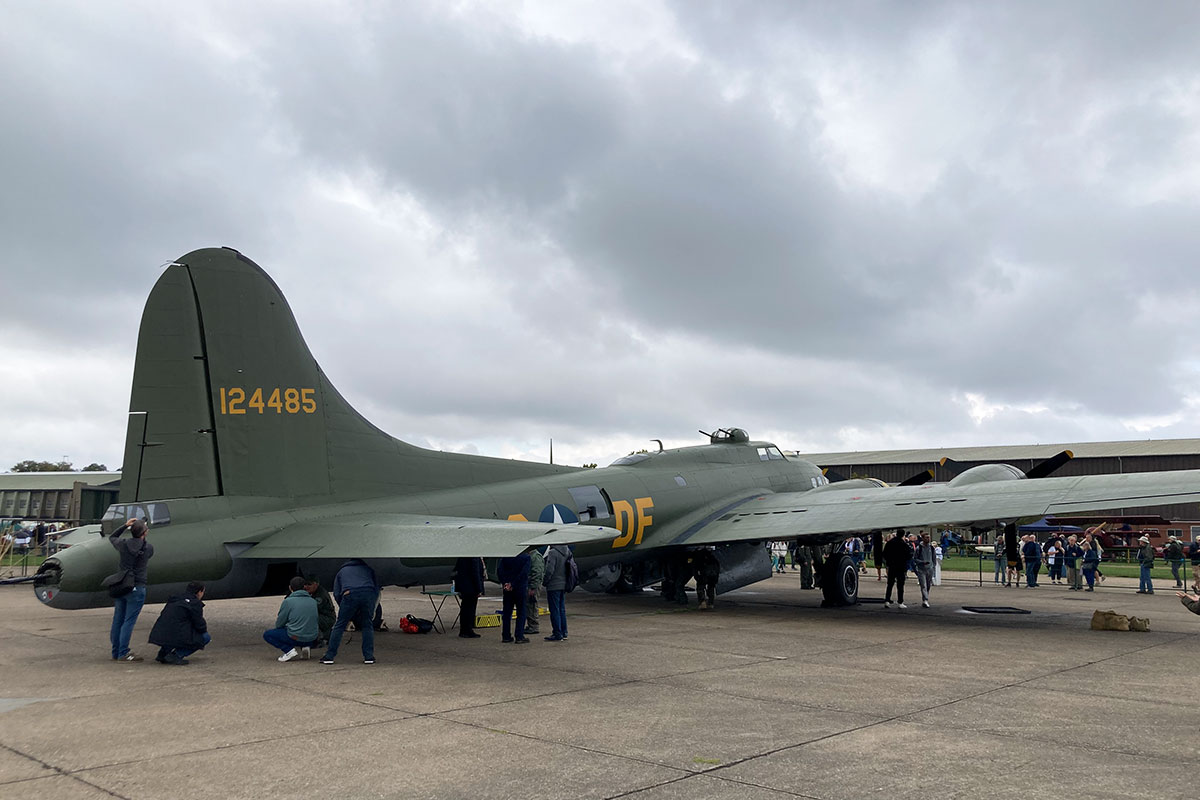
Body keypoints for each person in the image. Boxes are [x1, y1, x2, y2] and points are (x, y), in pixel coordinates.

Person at [109, 517, 154, 662]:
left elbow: (112, 537)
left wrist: (124, 526)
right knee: (129, 621)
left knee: (118, 620)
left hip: (122, 585)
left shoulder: (123, 544)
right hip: (137, 586)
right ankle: (123, 652)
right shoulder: (147, 548)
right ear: (144, 533)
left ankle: (116, 652)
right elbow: (147, 549)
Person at [319, 559, 381, 665]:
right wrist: (372, 603)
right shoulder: (368, 569)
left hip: (349, 595)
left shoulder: (342, 571)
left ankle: (329, 656)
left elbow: (337, 592)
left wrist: (343, 606)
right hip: (368, 594)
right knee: (367, 625)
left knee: (340, 625)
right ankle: (369, 657)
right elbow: (376, 588)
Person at [148, 581, 209, 665]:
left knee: (172, 629)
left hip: (160, 633)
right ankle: (176, 655)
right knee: (205, 637)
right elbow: (199, 624)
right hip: (175, 634)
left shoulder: (175, 598)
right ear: (199, 592)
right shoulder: (195, 603)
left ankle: (163, 654)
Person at [266, 576, 320, 661]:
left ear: (290, 588)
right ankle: (305, 646)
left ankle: (289, 650)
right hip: (312, 638)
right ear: (304, 587)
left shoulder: (288, 601)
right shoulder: (313, 601)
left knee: (268, 634)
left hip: (296, 637)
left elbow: (280, 623)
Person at [497, 550, 531, 643]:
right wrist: (513, 584)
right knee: (521, 612)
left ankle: (506, 636)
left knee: (507, 612)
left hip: (507, 588)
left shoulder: (506, 556)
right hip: (520, 588)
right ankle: (519, 636)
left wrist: (505, 583)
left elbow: (500, 570)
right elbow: (524, 573)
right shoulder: (526, 557)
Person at [543, 544, 571, 640]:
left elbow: (550, 570)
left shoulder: (552, 553)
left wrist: (545, 581)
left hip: (553, 585)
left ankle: (557, 633)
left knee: (554, 610)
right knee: (561, 609)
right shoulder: (567, 551)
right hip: (563, 583)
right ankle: (564, 632)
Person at [454, 556, 485, 638]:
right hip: (471, 587)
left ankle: (464, 629)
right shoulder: (474, 557)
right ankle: (468, 629)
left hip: (464, 586)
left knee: (465, 608)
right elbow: (475, 572)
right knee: (470, 609)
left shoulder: (462, 556)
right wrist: (479, 588)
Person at [883, 528, 913, 608]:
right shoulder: (904, 544)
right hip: (900, 566)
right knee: (900, 585)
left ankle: (887, 600)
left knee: (890, 584)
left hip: (892, 565)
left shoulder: (890, 543)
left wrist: (889, 561)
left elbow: (885, 553)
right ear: (903, 535)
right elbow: (908, 555)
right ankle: (900, 602)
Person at [303, 577, 336, 645]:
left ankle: (321, 637)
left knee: (308, 618)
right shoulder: (314, 592)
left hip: (327, 618)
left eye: (309, 584)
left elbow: (312, 609)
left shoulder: (320, 595)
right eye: (305, 584)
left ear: (316, 584)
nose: (306, 587)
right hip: (321, 616)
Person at [525, 546, 545, 635]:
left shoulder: (535, 556)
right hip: (531, 584)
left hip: (533, 586)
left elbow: (537, 573)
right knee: (529, 605)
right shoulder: (532, 555)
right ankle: (531, 625)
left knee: (532, 605)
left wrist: (533, 587)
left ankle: (534, 626)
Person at [913, 533, 935, 608]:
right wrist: (922, 562)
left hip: (930, 568)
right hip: (921, 569)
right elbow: (915, 559)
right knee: (923, 585)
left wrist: (933, 566)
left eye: (928, 538)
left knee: (928, 585)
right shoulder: (919, 548)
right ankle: (925, 599)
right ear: (922, 538)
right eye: (926, 538)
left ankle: (925, 598)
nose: (928, 539)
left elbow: (933, 558)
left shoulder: (931, 548)